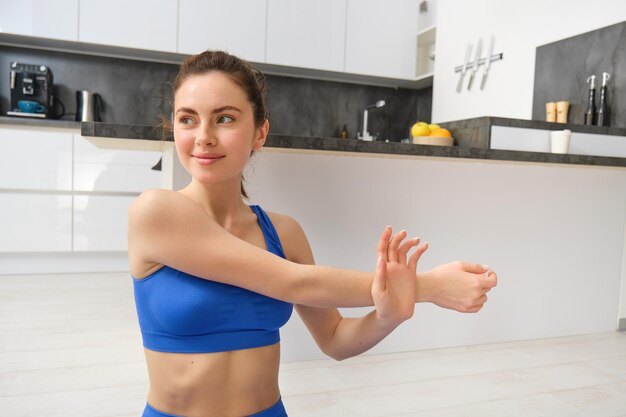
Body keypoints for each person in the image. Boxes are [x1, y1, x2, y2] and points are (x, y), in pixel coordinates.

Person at [128, 50, 497, 417]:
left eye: (224, 118)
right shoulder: (156, 213)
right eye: (188, 119)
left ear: (260, 133)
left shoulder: (283, 233)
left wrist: (389, 314)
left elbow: (335, 339)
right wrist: (428, 286)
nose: (204, 137)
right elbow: (292, 282)